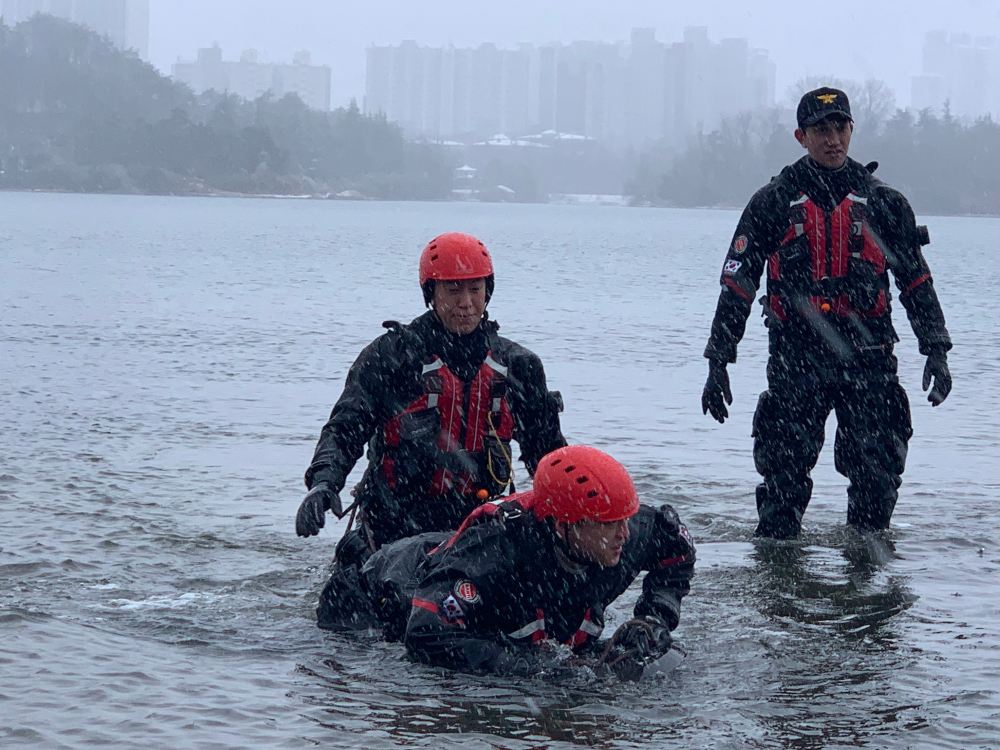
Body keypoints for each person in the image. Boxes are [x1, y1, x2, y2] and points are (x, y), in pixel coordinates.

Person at [701, 87, 953, 539]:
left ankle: (867, 586)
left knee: (876, 488)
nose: (832, 138)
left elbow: (916, 283)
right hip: (797, 359)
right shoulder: (773, 202)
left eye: (840, 127)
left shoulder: (885, 203)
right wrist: (718, 361)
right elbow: (737, 286)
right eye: (821, 130)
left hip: (869, 358)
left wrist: (936, 350)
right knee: (781, 495)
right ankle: (780, 592)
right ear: (801, 136)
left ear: (852, 130)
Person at [297, 232, 566, 564]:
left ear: (488, 291)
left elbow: (550, 456)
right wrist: (323, 484)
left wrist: (578, 514)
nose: (466, 303)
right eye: (453, 291)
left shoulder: (518, 366)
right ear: (431, 293)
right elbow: (344, 431)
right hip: (392, 526)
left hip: (476, 526)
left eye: (475, 289)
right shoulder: (391, 358)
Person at [318, 445, 696, 681]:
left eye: (625, 520)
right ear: (564, 525)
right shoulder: (495, 554)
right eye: (609, 525)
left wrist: (654, 619)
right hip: (377, 593)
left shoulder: (625, 533)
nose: (624, 535)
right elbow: (426, 634)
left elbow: (677, 545)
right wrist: (538, 669)